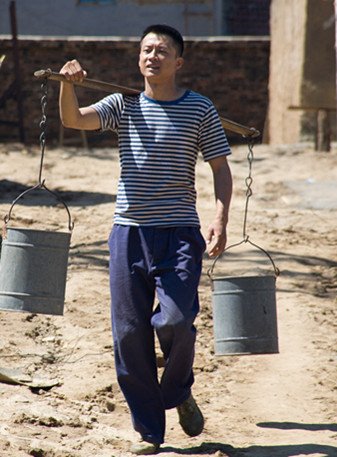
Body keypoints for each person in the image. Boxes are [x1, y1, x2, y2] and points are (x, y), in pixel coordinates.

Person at [59, 24, 232, 455]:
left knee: (175, 320)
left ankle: (177, 391)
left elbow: (220, 168)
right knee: (129, 333)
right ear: (139, 59)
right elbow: (73, 120)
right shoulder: (124, 105)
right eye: (146, 50)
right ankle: (149, 431)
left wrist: (221, 218)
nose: (152, 56)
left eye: (162, 50)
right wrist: (67, 86)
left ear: (179, 62)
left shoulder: (199, 109)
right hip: (128, 233)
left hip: (178, 236)